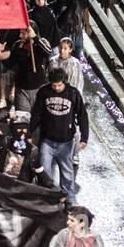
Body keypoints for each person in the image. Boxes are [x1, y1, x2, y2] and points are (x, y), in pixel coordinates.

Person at [29, 67, 89, 204]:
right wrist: (29, 132)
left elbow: (82, 116)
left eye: (59, 85)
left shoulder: (73, 93)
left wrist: (84, 138)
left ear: (64, 82)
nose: (56, 88)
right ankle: (47, 201)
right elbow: (36, 114)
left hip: (66, 143)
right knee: (45, 174)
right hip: (47, 141)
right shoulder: (44, 92)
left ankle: (70, 203)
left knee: (67, 175)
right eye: (53, 85)